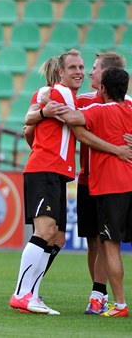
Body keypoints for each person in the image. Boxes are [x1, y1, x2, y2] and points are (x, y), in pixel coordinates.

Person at [10, 49, 85, 315]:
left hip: (57, 172)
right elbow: (28, 121)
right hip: (44, 169)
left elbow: (30, 127)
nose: (79, 72)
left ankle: (33, 294)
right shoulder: (58, 93)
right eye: (73, 67)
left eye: (82, 67)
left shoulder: (63, 96)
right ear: (61, 73)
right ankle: (22, 294)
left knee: (58, 238)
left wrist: (40, 114)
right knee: (44, 232)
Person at [55, 67, 132, 317]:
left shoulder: (98, 110)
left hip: (111, 187)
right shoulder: (131, 109)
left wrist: (47, 101)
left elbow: (70, 117)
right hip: (129, 185)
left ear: (103, 89)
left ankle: (119, 305)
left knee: (109, 246)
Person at [75, 52, 132, 314]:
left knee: (106, 241)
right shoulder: (85, 100)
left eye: (94, 68)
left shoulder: (96, 107)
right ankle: (98, 293)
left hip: (107, 183)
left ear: (105, 77)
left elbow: (70, 120)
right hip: (90, 180)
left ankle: (111, 300)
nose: (89, 72)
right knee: (94, 241)